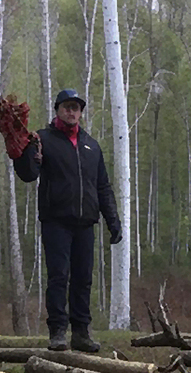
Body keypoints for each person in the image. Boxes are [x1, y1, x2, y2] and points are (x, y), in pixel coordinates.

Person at [11, 89, 122, 352]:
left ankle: (81, 333)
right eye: (67, 107)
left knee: (83, 279)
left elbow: (103, 187)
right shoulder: (42, 139)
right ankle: (58, 332)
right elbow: (28, 174)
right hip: (56, 220)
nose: (72, 112)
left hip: (85, 222)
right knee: (59, 277)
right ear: (57, 109)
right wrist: (21, 154)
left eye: (76, 107)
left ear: (81, 112)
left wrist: (113, 221)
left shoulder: (91, 145)